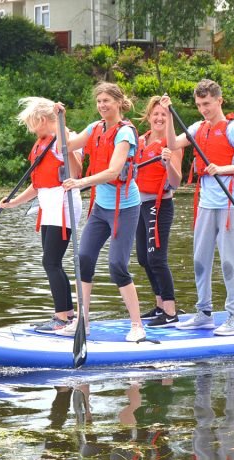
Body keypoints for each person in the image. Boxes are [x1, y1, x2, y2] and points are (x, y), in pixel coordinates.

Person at [159, 82, 234, 337]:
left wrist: (222, 169)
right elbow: (172, 144)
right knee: (199, 260)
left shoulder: (233, 129)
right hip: (205, 202)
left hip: (229, 203)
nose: (203, 109)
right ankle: (204, 313)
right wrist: (169, 114)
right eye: (199, 105)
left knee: (228, 261)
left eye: (207, 104)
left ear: (219, 101)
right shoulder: (197, 127)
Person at [56, 83, 145, 342]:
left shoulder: (125, 133)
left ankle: (137, 325)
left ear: (118, 102)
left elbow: (114, 172)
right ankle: (83, 321)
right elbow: (67, 144)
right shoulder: (95, 128)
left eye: (107, 100)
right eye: (99, 101)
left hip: (125, 207)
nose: (102, 105)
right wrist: (59, 119)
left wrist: (80, 183)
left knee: (117, 265)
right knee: (83, 259)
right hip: (100, 208)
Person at [0, 97, 83, 333]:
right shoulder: (42, 143)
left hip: (64, 204)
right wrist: (13, 202)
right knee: (51, 262)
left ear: (44, 120)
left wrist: (61, 126)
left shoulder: (62, 140)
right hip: (49, 206)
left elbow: (76, 171)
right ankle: (65, 314)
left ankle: (62, 318)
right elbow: (37, 185)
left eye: (33, 124)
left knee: (50, 261)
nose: (31, 129)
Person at [134, 96, 184, 328]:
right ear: (149, 116)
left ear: (170, 118)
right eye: (156, 114)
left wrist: (167, 163)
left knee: (156, 258)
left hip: (159, 204)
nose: (159, 117)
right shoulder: (140, 140)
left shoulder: (172, 145)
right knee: (144, 258)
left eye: (164, 114)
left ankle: (171, 311)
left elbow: (175, 182)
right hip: (138, 205)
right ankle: (160, 305)